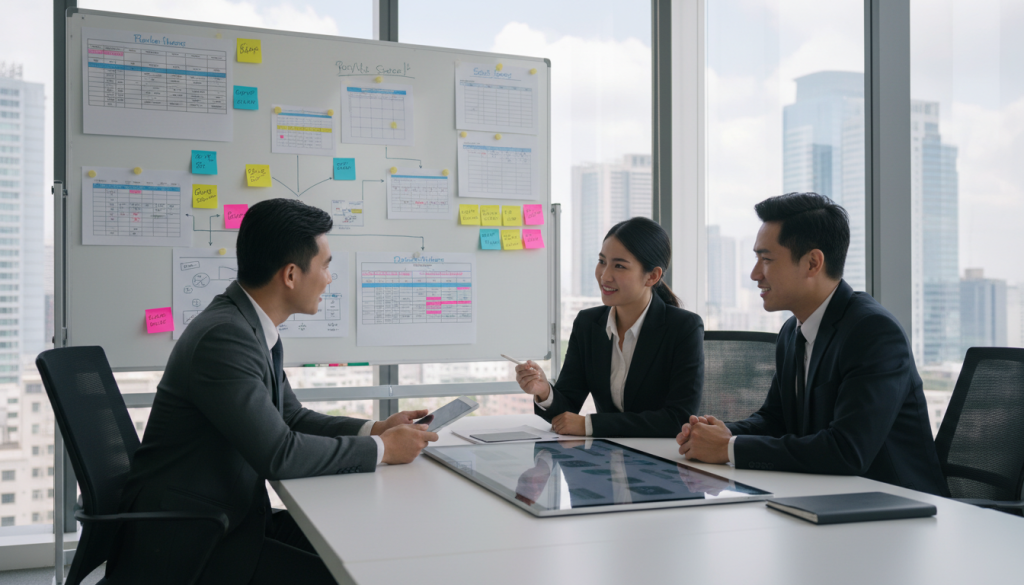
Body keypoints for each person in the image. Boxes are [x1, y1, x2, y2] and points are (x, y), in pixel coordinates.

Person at [108, 199, 438, 585]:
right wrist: (384, 451)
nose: (330, 279)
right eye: (326, 265)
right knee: (353, 574)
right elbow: (280, 455)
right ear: (292, 275)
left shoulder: (247, 325)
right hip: (194, 539)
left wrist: (375, 430)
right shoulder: (225, 337)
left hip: (229, 516)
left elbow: (290, 418)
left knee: (363, 547)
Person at [676, 193, 949, 496]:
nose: (755, 274)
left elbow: (847, 450)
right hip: (825, 499)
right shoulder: (793, 331)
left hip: (898, 510)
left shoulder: (873, 333)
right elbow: (775, 419)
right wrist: (721, 434)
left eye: (766, 259)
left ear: (812, 263)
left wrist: (728, 449)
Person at [515, 217, 704, 438]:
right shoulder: (588, 323)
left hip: (663, 461)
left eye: (620, 266)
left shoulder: (683, 328)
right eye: (602, 261)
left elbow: (677, 418)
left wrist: (590, 425)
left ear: (652, 276)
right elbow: (566, 410)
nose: (604, 276)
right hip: (608, 458)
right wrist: (544, 391)